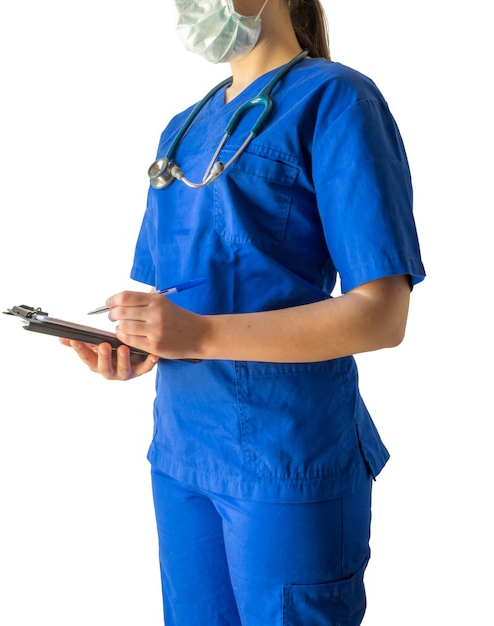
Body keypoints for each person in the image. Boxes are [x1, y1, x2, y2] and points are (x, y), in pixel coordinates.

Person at [60, 0, 425, 624]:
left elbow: (381, 316)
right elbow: (181, 301)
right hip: (181, 453)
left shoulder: (337, 100)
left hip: (287, 458)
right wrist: (136, 345)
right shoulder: (184, 128)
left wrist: (198, 335)